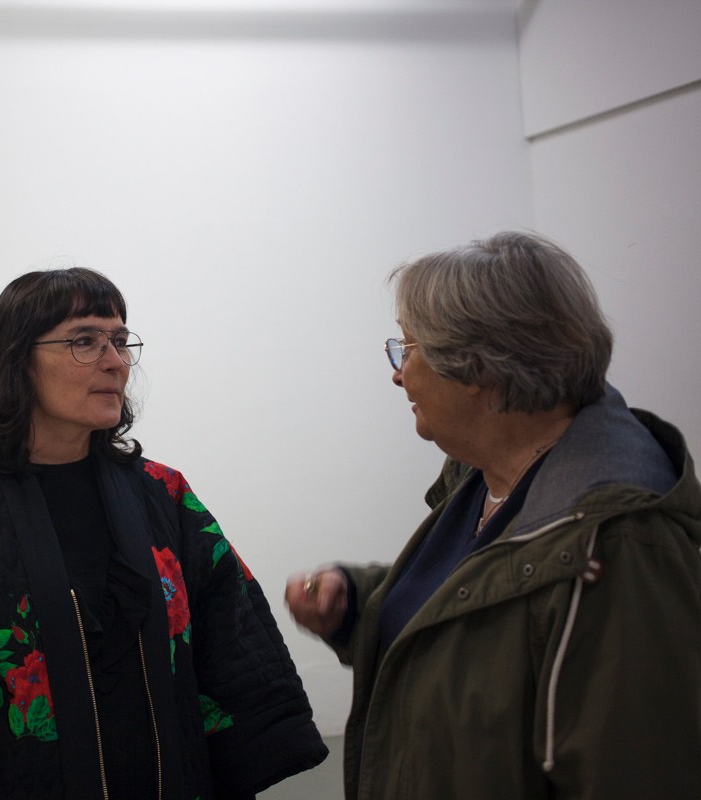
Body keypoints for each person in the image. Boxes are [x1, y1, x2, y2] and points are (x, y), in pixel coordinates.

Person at [0, 267, 327, 799]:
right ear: (17, 360)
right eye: (85, 341)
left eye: (120, 341)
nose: (115, 361)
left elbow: (235, 648)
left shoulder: (166, 495)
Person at [286, 231, 701, 800]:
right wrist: (357, 604)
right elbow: (483, 624)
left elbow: (639, 770)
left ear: (477, 367)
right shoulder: (484, 482)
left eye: (407, 348)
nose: (398, 374)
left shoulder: (617, 543)